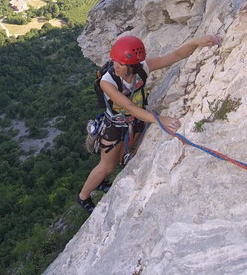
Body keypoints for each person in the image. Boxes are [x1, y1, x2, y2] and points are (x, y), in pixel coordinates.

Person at [77, 34, 221, 214]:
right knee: (107, 166)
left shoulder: (142, 69)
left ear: (133, 66)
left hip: (136, 120)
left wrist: (195, 42)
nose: (116, 66)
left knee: (125, 156)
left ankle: (101, 182)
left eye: (121, 64)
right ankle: (83, 196)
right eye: (115, 61)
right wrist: (158, 120)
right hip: (115, 123)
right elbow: (128, 105)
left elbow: (175, 55)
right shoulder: (108, 81)